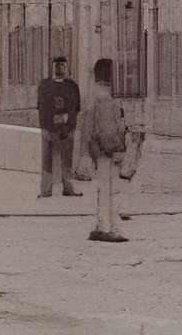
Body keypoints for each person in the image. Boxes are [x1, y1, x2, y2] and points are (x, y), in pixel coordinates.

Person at [79, 57, 128, 243]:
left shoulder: (95, 98)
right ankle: (108, 228)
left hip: (99, 148)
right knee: (110, 190)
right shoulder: (106, 99)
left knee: (103, 189)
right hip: (107, 149)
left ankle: (101, 225)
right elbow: (107, 127)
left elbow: (87, 127)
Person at [36, 55, 81, 197]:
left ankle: (68, 188)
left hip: (67, 129)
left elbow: (76, 107)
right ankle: (45, 190)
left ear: (66, 67)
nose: (59, 67)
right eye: (57, 65)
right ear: (52, 66)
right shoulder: (44, 85)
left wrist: (69, 122)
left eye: (62, 65)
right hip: (49, 128)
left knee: (67, 159)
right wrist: (45, 127)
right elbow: (41, 108)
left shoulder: (72, 86)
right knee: (47, 159)